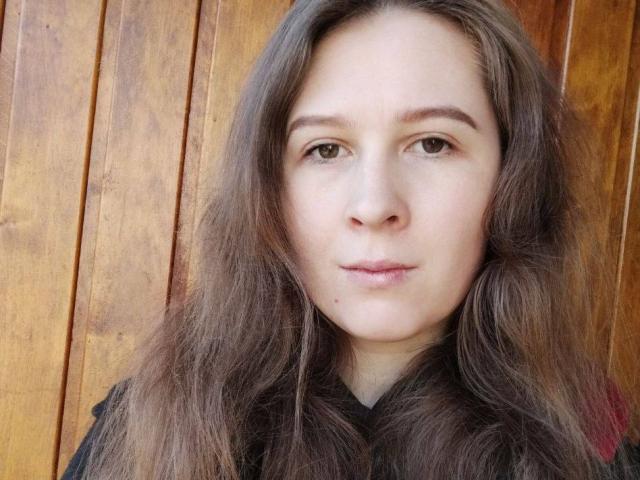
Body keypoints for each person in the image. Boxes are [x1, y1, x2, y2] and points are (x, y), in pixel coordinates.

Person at [60, 0, 640, 479]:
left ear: (513, 177)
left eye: (433, 144)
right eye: (326, 149)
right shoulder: (148, 433)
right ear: (269, 189)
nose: (374, 205)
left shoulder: (589, 451)